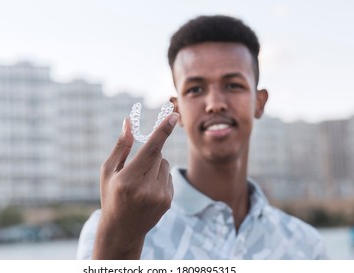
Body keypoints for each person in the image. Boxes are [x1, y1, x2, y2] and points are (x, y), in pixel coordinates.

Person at [77, 15, 328, 259]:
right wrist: (122, 239)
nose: (215, 104)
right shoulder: (109, 229)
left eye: (233, 85)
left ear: (259, 102)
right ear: (177, 109)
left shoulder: (305, 246)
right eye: (195, 89)